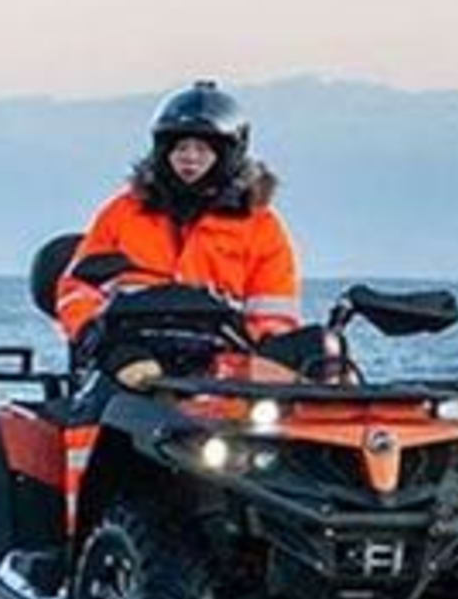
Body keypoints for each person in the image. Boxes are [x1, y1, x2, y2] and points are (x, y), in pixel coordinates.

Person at [52, 81, 303, 385]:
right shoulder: (123, 213)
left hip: (221, 378)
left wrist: (268, 362)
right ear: (163, 151)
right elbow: (76, 291)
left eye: (203, 149)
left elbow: (274, 318)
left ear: (228, 156)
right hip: (128, 364)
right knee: (98, 425)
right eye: (181, 147)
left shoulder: (260, 227)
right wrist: (108, 347)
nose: (190, 158)